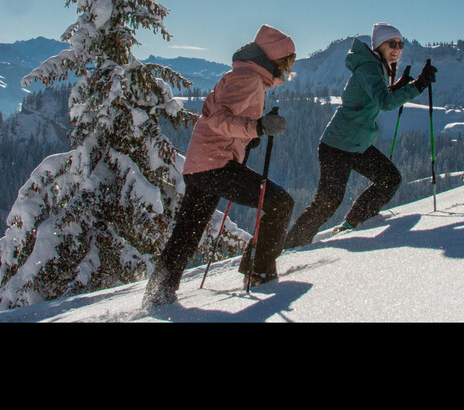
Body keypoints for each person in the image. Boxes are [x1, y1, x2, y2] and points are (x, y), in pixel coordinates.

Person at [143, 24, 297, 307]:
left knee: (187, 231)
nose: (289, 68)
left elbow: (211, 115)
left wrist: (248, 135)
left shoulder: (241, 73)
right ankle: (259, 272)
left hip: (201, 163)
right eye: (288, 61)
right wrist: (257, 127)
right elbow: (217, 119)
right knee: (280, 203)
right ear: (277, 59)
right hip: (215, 164)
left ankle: (158, 292)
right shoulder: (249, 78)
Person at [284, 22, 437, 249]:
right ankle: (291, 246)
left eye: (400, 44)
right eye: (392, 43)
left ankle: (354, 222)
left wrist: (400, 87)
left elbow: (375, 97)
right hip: (337, 145)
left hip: (356, 144)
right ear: (379, 46)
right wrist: (418, 86)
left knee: (389, 179)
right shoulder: (370, 68)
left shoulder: (377, 67)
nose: (397, 48)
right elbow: (384, 103)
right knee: (328, 202)